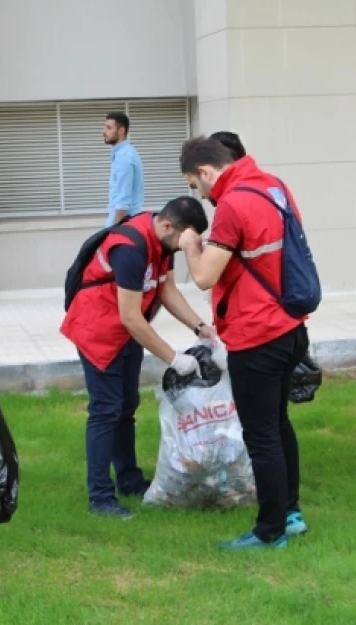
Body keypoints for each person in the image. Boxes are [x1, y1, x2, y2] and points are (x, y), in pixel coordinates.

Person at [176, 138, 312, 551]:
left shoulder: (233, 204)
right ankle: (290, 513)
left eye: (196, 186)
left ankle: (270, 532)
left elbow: (204, 277)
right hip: (291, 325)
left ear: (206, 171)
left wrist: (189, 245)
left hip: (258, 335)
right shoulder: (273, 186)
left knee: (262, 434)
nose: (201, 195)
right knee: (279, 423)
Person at [60, 196, 217, 519]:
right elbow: (131, 317)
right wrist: (174, 358)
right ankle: (100, 498)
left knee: (127, 406)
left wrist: (200, 327)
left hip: (125, 330)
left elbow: (165, 289)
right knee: (106, 410)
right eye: (183, 242)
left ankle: (129, 480)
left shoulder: (162, 240)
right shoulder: (130, 247)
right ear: (169, 226)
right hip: (98, 330)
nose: (183, 250)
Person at [104, 112, 145, 227]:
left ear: (121, 131)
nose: (104, 132)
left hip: (124, 224)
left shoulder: (124, 157)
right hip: (127, 223)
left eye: (109, 128)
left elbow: (123, 199)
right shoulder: (124, 153)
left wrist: (116, 232)